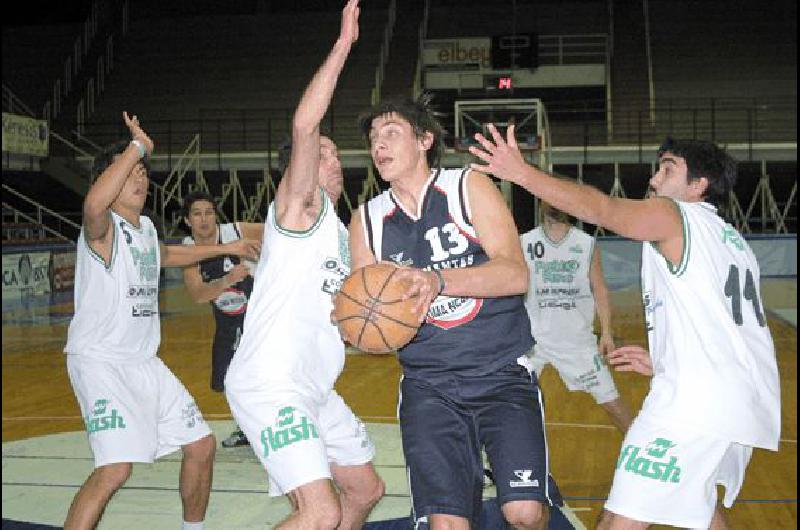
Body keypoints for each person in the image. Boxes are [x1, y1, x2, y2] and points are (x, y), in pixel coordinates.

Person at [470, 129, 781, 529]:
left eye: (668, 170)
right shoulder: (731, 240)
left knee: (622, 518)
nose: (654, 179)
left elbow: (602, 209)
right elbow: (729, 327)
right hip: (728, 397)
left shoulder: (675, 215)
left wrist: (522, 173)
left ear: (698, 185)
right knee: (697, 507)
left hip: (695, 403)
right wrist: (669, 361)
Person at [348, 94, 562, 530]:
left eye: (391, 134)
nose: (379, 146)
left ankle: (527, 483)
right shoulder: (367, 220)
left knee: (523, 515)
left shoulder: (467, 187)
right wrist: (359, 326)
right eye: (374, 139)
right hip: (430, 387)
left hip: (500, 372)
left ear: (425, 139)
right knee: (448, 526)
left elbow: (515, 274)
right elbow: (371, 318)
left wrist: (436, 280)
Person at [224, 2, 384, 528]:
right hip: (271, 382)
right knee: (318, 514)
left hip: (314, 385)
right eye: (323, 152)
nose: (329, 158)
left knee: (365, 489)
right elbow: (304, 122)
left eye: (335, 153)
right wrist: (342, 47)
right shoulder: (299, 209)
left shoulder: (343, 231)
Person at [63, 112, 260, 530]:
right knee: (115, 469)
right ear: (109, 179)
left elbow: (169, 255)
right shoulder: (102, 228)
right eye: (129, 172)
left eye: (142, 172)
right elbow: (93, 203)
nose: (140, 178)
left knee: (202, 446)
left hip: (143, 362)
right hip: (102, 362)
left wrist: (229, 245)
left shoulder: (147, 228)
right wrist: (138, 146)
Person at [520, 199, 634, 433]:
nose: (553, 204)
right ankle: (490, 463)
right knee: (512, 404)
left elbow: (600, 289)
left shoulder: (586, 243)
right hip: (533, 341)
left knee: (613, 403)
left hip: (576, 341)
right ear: (540, 203)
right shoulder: (525, 242)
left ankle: (639, 447)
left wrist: (607, 334)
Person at [181, 191, 264, 448]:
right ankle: (247, 427)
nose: (204, 219)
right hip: (227, 321)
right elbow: (197, 295)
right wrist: (228, 279)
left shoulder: (235, 231)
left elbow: (277, 229)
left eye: (208, 213)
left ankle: (263, 427)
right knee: (227, 380)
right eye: (197, 214)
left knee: (260, 374)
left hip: (259, 315)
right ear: (187, 220)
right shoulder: (188, 249)